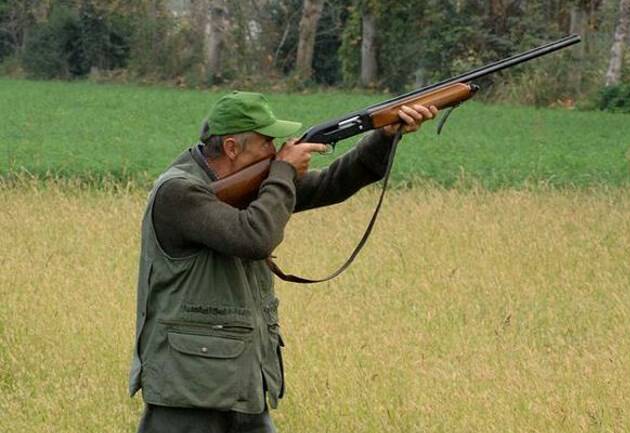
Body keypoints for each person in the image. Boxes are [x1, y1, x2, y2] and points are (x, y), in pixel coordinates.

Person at [129, 91, 438, 433]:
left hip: (243, 382)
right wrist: (283, 173)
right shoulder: (179, 192)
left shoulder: (252, 187)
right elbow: (254, 237)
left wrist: (383, 137)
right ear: (232, 147)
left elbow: (333, 184)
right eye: (267, 142)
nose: (276, 151)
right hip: (188, 390)